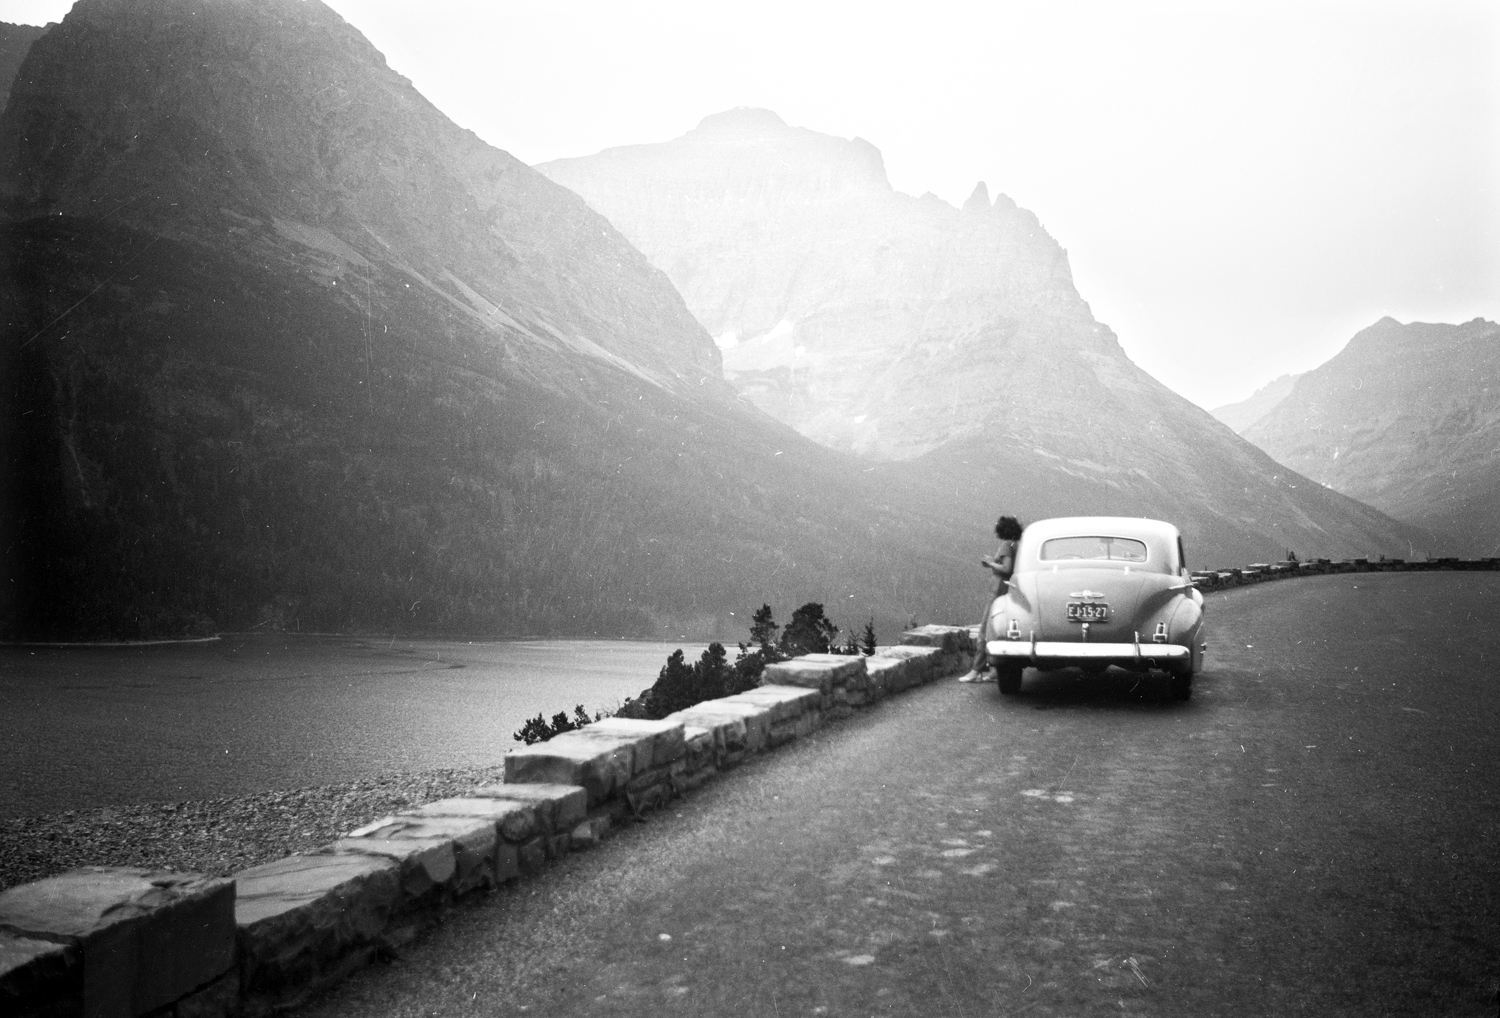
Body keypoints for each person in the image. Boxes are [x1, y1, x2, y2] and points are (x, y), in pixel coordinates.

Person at [958, 515, 1024, 682]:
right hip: (1008, 587)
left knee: (985, 627)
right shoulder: (1016, 545)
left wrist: (990, 564)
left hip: (998, 588)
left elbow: (1006, 568)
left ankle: (976, 670)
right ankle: (995, 671)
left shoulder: (1005, 545)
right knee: (996, 628)